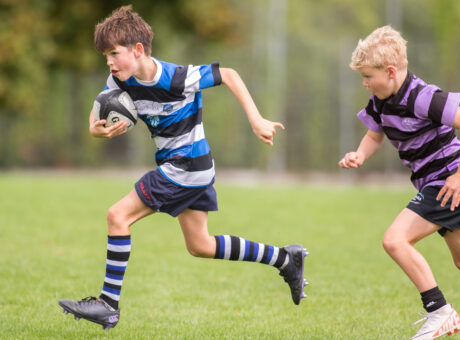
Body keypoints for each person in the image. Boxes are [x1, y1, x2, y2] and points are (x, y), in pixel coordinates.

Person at [58, 5, 308, 330]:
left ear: (137, 50)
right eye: (105, 55)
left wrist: (256, 118)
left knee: (117, 216)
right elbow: (98, 112)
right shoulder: (120, 80)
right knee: (200, 246)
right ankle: (285, 259)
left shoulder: (177, 78)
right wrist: (95, 129)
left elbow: (229, 74)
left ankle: (108, 304)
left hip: (185, 166)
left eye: (113, 53)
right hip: (191, 168)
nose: (108, 61)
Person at [338, 26, 460, 340]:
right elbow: (375, 133)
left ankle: (439, 311)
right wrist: (360, 155)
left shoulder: (422, 96)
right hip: (438, 184)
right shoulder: (381, 100)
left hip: (447, 183)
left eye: (367, 76)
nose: (364, 82)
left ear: (390, 72)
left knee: (395, 240)